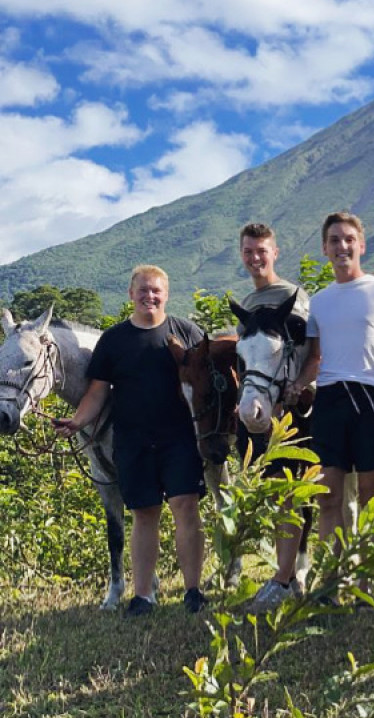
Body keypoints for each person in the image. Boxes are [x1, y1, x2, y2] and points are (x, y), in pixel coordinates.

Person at [54, 265, 207, 616]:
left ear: (166, 294)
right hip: (133, 440)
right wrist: (76, 422)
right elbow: (96, 392)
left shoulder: (187, 332)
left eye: (156, 291)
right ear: (131, 294)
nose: (149, 296)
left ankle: (193, 591)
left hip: (179, 437)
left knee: (186, 507)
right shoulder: (114, 340)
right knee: (144, 512)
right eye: (143, 290)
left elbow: (207, 382)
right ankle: (143, 597)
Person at [285, 211, 374, 601]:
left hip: (372, 399)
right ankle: (329, 583)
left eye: (348, 239)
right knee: (328, 496)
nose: (342, 247)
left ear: (361, 244)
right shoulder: (320, 303)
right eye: (334, 240)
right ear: (325, 249)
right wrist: (297, 384)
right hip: (330, 400)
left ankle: (367, 581)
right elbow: (315, 359)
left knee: (371, 493)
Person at [235, 222, 313, 613]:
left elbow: (310, 349)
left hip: (300, 408)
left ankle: (295, 573)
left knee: (300, 491)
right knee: (283, 491)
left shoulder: (295, 298)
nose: (255, 258)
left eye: (261, 251)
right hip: (267, 410)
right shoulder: (248, 305)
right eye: (249, 251)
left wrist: (297, 387)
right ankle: (291, 572)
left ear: (275, 252)